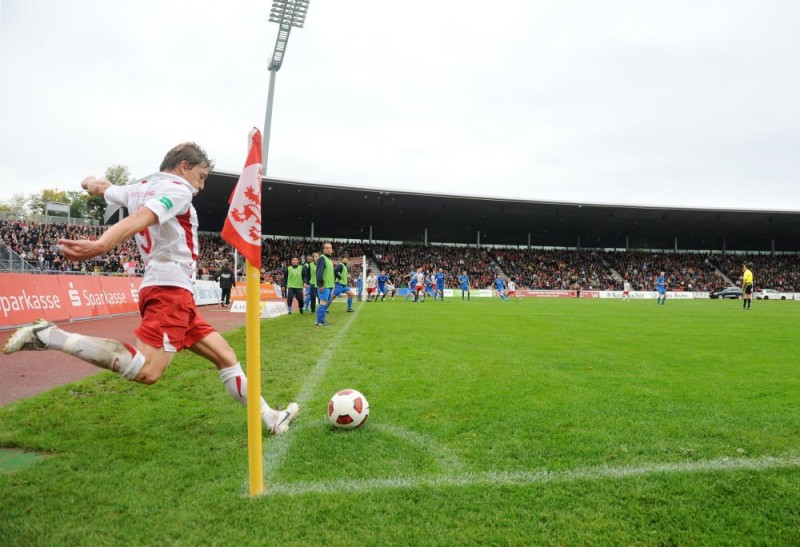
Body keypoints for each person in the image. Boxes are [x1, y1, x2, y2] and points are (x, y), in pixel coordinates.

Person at [2, 142, 298, 434]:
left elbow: (106, 188)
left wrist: (91, 182)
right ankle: (52, 336)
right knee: (148, 370)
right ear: (184, 166)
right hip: (170, 290)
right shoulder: (178, 190)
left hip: (170, 289)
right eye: (201, 176)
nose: (202, 185)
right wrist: (101, 245)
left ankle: (269, 417)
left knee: (226, 356)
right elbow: (141, 218)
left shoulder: (138, 187)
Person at [315, 242, 335, 326]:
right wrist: (320, 284)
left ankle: (322, 320)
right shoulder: (322, 258)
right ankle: (319, 321)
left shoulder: (328, 259)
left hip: (329, 285)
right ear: (323, 250)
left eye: (330, 248)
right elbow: (319, 272)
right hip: (324, 286)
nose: (329, 249)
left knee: (325, 302)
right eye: (327, 248)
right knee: (323, 302)